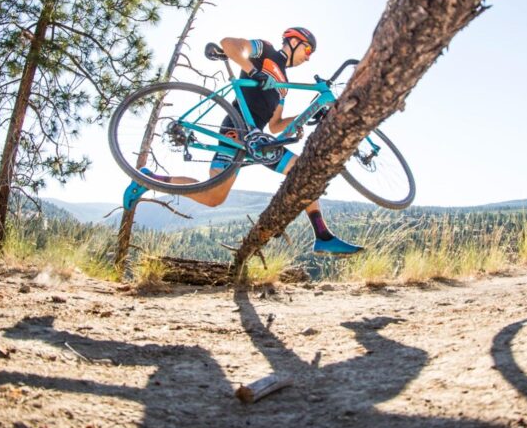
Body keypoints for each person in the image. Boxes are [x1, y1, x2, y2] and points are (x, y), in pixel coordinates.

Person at [123, 27, 363, 256]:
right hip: (236, 130)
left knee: (215, 196)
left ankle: (149, 179)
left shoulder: (283, 86)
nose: (308, 58)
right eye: (308, 50)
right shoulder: (267, 51)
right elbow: (228, 44)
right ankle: (323, 236)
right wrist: (253, 70)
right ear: (293, 41)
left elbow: (276, 125)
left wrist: (308, 116)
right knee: (299, 172)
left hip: (255, 138)